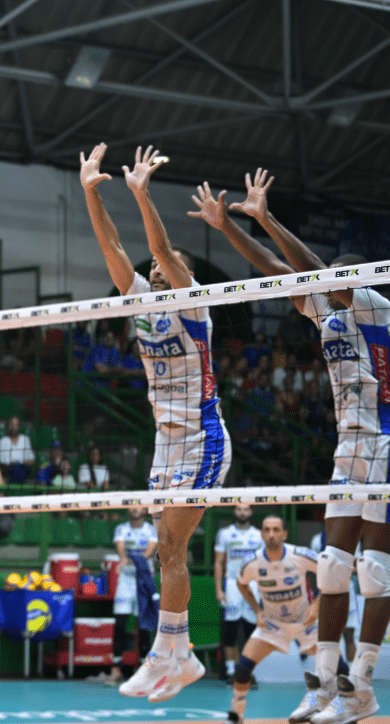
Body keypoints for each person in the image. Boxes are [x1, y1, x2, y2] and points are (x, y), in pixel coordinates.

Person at [190, 170, 390, 724]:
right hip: (348, 445)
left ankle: (363, 687)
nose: (333, 278)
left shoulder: (376, 304)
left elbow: (312, 270)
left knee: (374, 570)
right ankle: (328, 687)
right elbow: (277, 273)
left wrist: (267, 215)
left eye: (342, 270)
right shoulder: (327, 310)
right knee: (330, 568)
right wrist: (230, 224)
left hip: (387, 442)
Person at [80, 143, 230, 701]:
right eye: (153, 273)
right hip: (164, 445)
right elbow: (115, 247)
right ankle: (177, 653)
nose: (155, 272)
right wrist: (91, 191)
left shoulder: (194, 304)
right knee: (168, 548)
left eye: (166, 269)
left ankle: (171, 651)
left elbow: (160, 248)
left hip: (203, 437)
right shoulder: (143, 302)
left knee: (169, 542)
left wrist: (142, 194)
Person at [226, 516, 326, 724]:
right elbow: (241, 583)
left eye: (276, 530)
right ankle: (236, 715)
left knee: (338, 666)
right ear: (261, 534)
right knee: (243, 667)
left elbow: (328, 573)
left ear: (284, 534)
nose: (271, 535)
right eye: (267, 530)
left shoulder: (300, 555)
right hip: (272, 625)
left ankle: (341, 709)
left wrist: (316, 606)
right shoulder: (252, 562)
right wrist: (257, 610)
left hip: (305, 622)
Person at [106, 507, 158, 685]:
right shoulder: (121, 528)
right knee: (120, 624)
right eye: (132, 505)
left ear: (145, 509)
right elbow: (120, 548)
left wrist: (137, 559)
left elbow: (150, 551)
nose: (135, 508)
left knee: (144, 625)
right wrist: (123, 558)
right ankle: (116, 668)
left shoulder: (151, 529)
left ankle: (144, 669)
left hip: (143, 580)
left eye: (139, 505)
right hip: (126, 581)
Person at [214, 504, 265, 682]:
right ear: (234, 512)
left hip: (253, 586)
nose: (242, 512)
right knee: (231, 630)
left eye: (246, 509)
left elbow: (264, 563)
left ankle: (248, 672)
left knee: (252, 631)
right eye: (239, 509)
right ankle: (230, 671)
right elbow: (219, 563)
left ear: (250, 512)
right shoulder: (225, 533)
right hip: (232, 585)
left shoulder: (259, 535)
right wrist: (219, 590)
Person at [0, 417, 34, 486]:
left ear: (19, 426)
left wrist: (19, 462)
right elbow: (2, 461)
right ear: (8, 426)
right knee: (16, 468)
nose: (14, 427)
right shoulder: (2, 441)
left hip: (24, 468)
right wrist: (17, 462)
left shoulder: (25, 439)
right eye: (11, 424)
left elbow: (31, 459)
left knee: (19, 469)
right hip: (9, 469)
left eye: (16, 424)